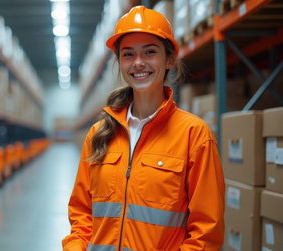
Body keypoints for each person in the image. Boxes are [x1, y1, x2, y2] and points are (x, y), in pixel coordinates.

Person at [62, 5, 225, 251]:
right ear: (119, 61)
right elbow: (81, 212)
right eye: (128, 54)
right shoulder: (99, 135)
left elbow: (206, 231)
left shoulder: (194, 135)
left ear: (169, 59)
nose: (138, 63)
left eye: (150, 52)